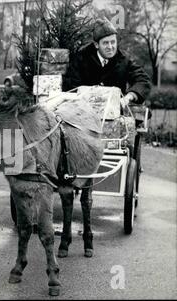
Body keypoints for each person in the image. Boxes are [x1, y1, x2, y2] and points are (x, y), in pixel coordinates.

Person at [59, 18, 151, 258]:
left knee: (122, 137)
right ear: (96, 44)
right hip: (82, 117)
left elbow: (142, 80)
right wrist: (85, 94)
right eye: (106, 43)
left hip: (112, 122)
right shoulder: (82, 57)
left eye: (113, 42)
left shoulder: (123, 59)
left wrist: (129, 97)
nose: (111, 46)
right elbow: (69, 83)